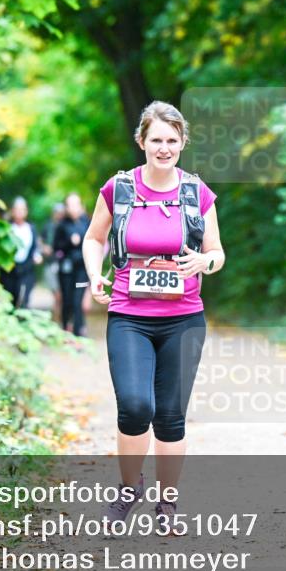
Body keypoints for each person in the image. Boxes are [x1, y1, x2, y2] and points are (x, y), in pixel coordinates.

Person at [81, 100, 224, 529]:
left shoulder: (196, 193)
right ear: (141, 141)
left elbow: (217, 252)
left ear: (183, 143)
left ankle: (167, 503)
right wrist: (94, 275)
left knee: (169, 415)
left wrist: (204, 262)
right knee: (134, 405)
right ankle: (129, 489)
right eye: (156, 140)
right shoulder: (120, 188)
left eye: (172, 141)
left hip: (184, 317)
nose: (164, 148)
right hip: (129, 313)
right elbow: (93, 238)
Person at [53, 193, 90, 336]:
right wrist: (69, 241)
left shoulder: (86, 222)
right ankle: (65, 328)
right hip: (66, 270)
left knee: (78, 301)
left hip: (82, 269)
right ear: (66, 207)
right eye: (70, 205)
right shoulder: (61, 225)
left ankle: (78, 332)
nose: (74, 208)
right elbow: (56, 247)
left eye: (76, 204)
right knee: (67, 300)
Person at [0, 196, 42, 309]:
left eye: (22, 209)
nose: (19, 212)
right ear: (12, 211)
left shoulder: (31, 229)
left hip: (26, 270)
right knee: (10, 300)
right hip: (9, 271)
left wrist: (37, 256)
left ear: (26, 211)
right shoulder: (7, 228)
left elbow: (35, 247)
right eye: (17, 209)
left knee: (23, 300)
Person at [41, 202, 66, 317]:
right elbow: (40, 241)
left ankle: (60, 319)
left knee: (61, 295)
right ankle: (57, 318)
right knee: (57, 294)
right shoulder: (48, 226)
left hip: (64, 264)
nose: (59, 215)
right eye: (57, 213)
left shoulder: (67, 226)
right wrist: (44, 248)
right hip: (51, 263)